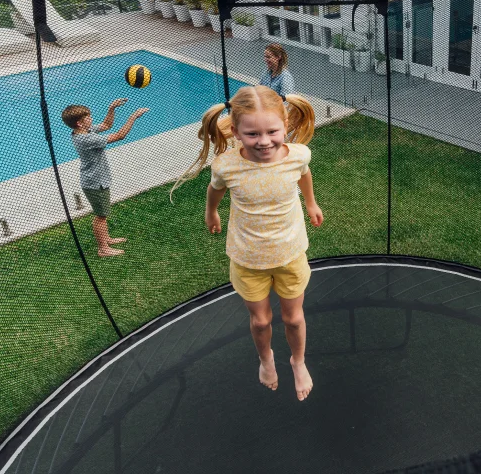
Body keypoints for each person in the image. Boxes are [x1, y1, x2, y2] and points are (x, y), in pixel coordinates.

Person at [172, 86, 321, 401]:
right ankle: (266, 358)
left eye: (272, 131)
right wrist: (211, 211)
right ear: (237, 131)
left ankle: (298, 360)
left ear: (285, 124)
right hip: (247, 259)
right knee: (261, 319)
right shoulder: (226, 165)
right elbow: (215, 190)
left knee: (294, 317)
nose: (264, 141)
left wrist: (310, 203)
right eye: (253, 134)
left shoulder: (298, 155)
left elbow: (304, 175)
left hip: (290, 254)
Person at [63, 99, 148, 257]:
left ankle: (106, 238)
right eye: (88, 117)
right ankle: (103, 249)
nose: (92, 119)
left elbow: (106, 125)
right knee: (101, 216)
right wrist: (133, 116)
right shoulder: (86, 139)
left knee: (103, 213)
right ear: (80, 123)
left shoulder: (84, 132)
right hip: (95, 182)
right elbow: (120, 135)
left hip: (97, 180)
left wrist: (111, 108)